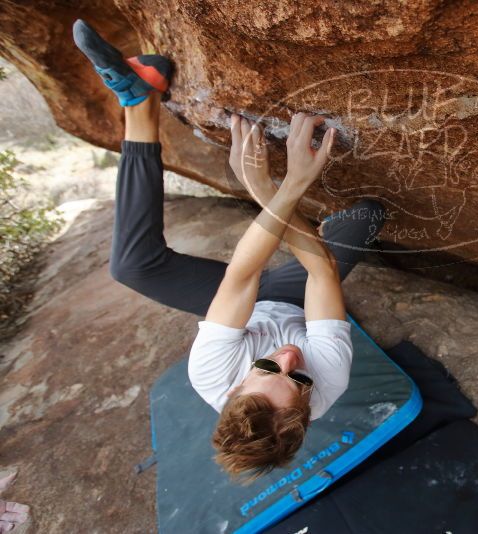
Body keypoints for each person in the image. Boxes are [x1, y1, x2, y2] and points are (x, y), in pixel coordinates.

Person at [72, 20, 385, 478]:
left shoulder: (211, 374)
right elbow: (322, 276)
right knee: (368, 216)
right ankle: (302, 221)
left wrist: (265, 186)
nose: (289, 359)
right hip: (296, 297)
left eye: (266, 368)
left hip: (245, 301)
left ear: (238, 383)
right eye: (297, 380)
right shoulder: (328, 381)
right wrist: (283, 186)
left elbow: (243, 275)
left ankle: (139, 100)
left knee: (131, 267)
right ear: (307, 400)